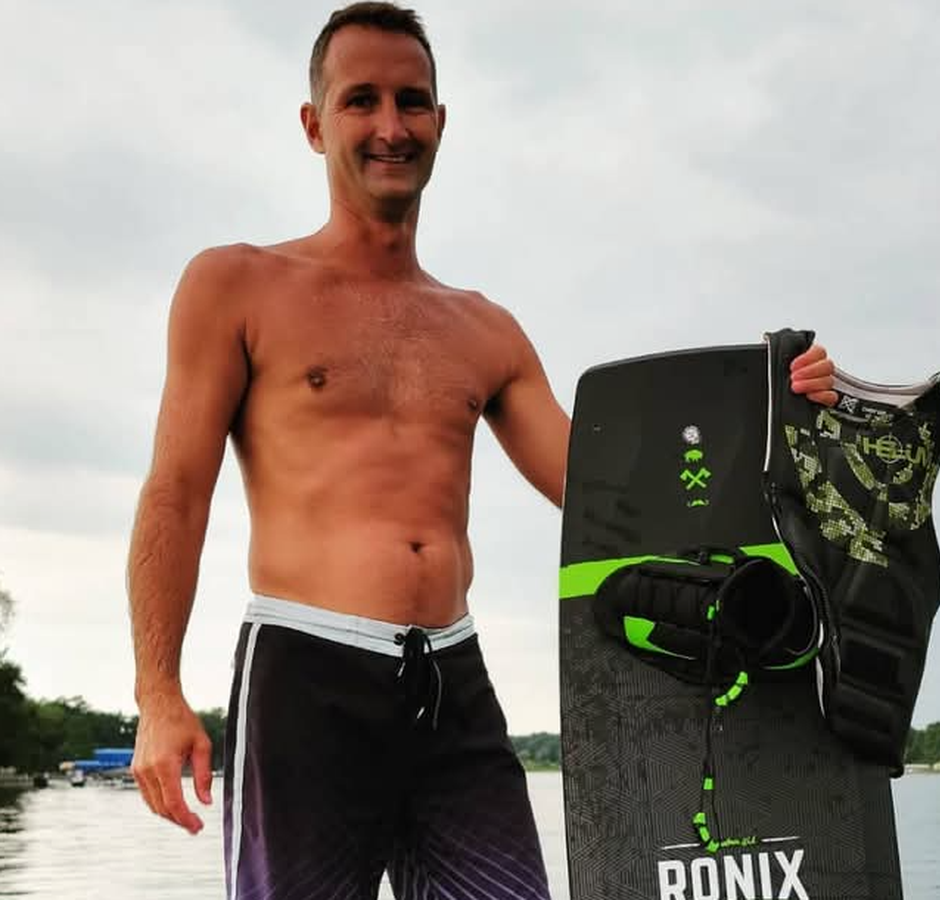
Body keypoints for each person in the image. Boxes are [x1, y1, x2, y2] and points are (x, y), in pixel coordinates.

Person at [126, 4, 840, 898]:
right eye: (361, 101)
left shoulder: (483, 328)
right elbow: (176, 492)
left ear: (441, 121)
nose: (392, 126)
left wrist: (773, 414)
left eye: (412, 102)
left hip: (452, 683)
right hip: (307, 673)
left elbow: (609, 499)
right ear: (314, 125)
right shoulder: (235, 285)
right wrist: (158, 691)